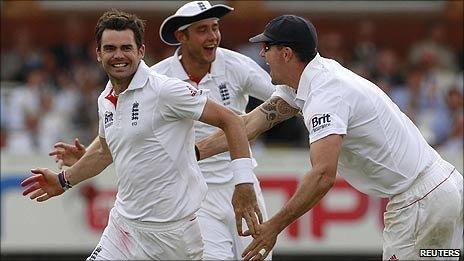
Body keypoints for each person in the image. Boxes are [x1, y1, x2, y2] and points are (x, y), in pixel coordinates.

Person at [195, 15, 464, 261]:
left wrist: (273, 227)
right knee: (438, 256)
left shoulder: (326, 95)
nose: (262, 54)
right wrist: (193, 154)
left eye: (268, 48)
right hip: (440, 189)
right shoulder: (306, 81)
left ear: (287, 53)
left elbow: (323, 175)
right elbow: (247, 125)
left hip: (420, 201)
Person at [21, 9, 262, 260]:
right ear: (98, 54)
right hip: (123, 226)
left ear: (141, 51)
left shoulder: (165, 90)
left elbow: (231, 121)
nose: (118, 55)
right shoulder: (105, 98)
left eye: (126, 47)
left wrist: (243, 183)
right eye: (110, 48)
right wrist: (62, 181)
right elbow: (104, 152)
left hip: (173, 235)